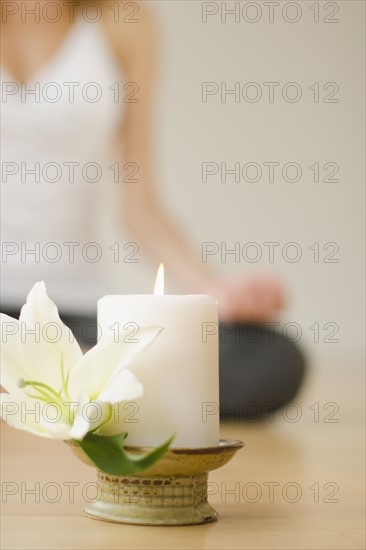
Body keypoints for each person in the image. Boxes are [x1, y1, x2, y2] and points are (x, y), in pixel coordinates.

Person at [0, 0, 306, 420]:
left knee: (271, 358)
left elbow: (139, 206)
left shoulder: (123, 23)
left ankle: (57, 379)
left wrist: (213, 289)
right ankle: (81, 387)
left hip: (75, 317)